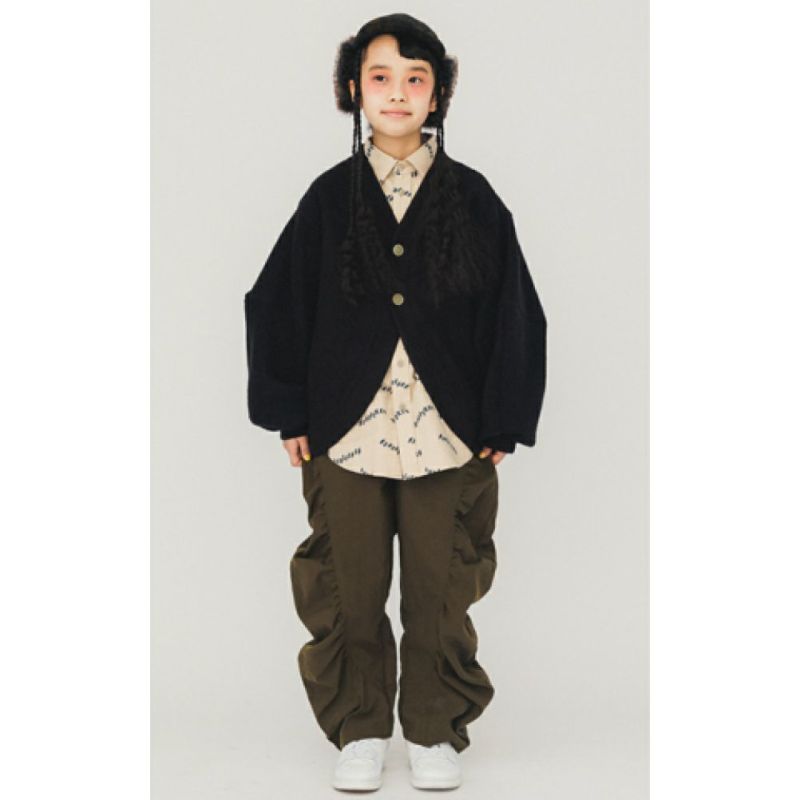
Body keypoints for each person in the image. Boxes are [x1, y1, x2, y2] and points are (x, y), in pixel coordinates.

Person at [244, 13, 547, 792]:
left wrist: (504, 417)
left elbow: (514, 310)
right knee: (349, 585)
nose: (398, 93)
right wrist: (290, 413)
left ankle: (434, 728)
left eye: (417, 79)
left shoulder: (473, 200)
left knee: (441, 587)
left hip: (450, 433)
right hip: (346, 431)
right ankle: (361, 727)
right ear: (353, 89)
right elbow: (277, 303)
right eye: (380, 77)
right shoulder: (328, 200)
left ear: (438, 94)